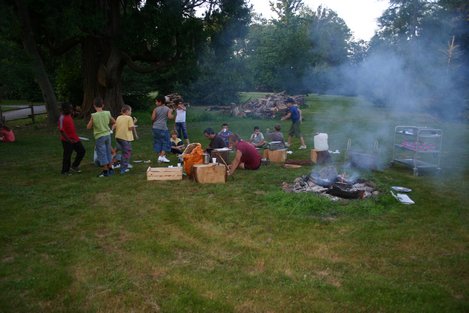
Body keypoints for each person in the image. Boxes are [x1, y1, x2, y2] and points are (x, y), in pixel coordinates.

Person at [87, 97, 116, 177]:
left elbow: (88, 127)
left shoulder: (94, 115)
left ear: (94, 106)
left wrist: (92, 122)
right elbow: (114, 121)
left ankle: (105, 171)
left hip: (100, 136)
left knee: (102, 153)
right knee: (108, 151)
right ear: (103, 105)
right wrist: (110, 128)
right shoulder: (107, 113)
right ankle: (111, 168)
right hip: (107, 135)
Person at [58, 103, 85, 175]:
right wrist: (69, 140)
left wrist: (78, 112)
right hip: (67, 140)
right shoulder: (61, 118)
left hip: (75, 138)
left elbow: (74, 114)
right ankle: (65, 171)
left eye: (71, 108)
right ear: (64, 109)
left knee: (82, 151)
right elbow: (61, 130)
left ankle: (74, 166)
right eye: (69, 109)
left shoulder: (69, 114)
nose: (71, 110)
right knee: (67, 155)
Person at [152, 95, 174, 163]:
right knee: (166, 141)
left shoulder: (155, 109)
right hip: (163, 128)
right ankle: (161, 156)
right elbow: (170, 117)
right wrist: (172, 113)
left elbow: (152, 118)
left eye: (156, 101)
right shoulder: (167, 109)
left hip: (155, 127)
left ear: (160, 102)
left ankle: (161, 158)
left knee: (158, 142)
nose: (155, 103)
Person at [114, 104, 135, 174]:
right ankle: (123, 168)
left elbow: (117, 126)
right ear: (127, 111)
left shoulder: (118, 117)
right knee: (126, 153)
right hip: (125, 138)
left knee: (122, 151)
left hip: (118, 137)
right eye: (130, 111)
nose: (131, 112)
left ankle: (116, 163)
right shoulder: (129, 118)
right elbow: (130, 128)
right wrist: (134, 124)